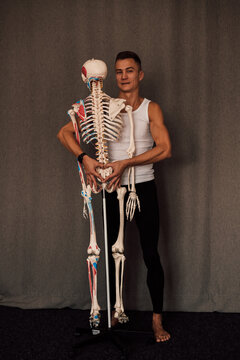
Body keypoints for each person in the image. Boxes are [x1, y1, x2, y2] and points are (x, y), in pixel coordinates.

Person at [57, 51, 171, 342]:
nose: (124, 76)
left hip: (142, 187)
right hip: (109, 189)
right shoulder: (104, 108)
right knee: (108, 254)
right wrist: (85, 159)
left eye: (130, 71)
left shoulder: (150, 109)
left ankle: (157, 321)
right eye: (119, 71)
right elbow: (64, 133)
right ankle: (111, 315)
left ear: (140, 75)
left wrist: (125, 164)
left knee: (151, 254)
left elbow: (165, 149)